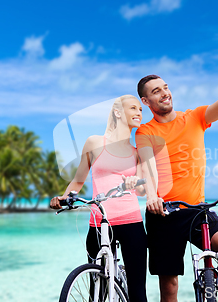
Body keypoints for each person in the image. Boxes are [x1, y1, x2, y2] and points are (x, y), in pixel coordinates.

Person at [135, 49, 218, 302]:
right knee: (170, 286)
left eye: (165, 87)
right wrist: (152, 196)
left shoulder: (195, 117)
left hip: (198, 210)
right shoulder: (145, 131)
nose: (165, 93)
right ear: (146, 102)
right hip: (163, 213)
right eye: (156, 91)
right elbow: (148, 165)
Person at [50, 95, 148, 302]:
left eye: (141, 109)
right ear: (118, 112)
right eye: (133, 108)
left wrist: (135, 182)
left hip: (131, 223)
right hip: (99, 223)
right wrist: (64, 197)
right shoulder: (94, 143)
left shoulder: (136, 152)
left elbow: (142, 190)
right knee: (97, 292)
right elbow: (78, 181)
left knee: (138, 292)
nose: (139, 112)